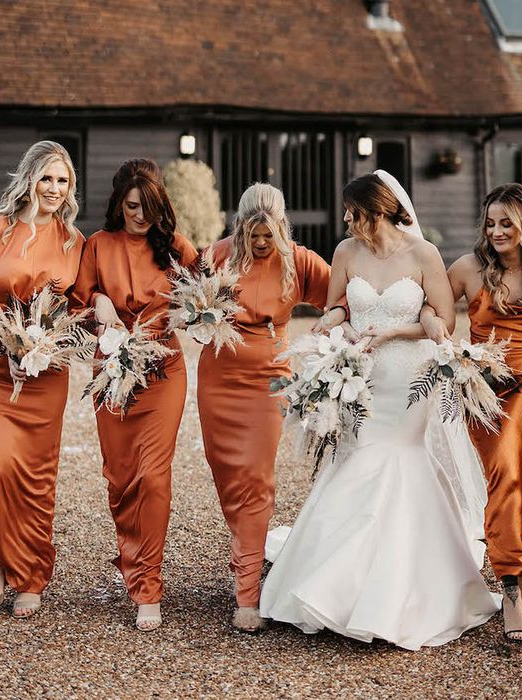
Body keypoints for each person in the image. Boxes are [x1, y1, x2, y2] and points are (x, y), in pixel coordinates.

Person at [259, 171, 500, 651]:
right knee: (358, 455)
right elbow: (337, 309)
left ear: (376, 211)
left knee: (400, 458)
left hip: (408, 376)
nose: (345, 219)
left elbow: (443, 320)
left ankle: (400, 589)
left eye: (352, 211)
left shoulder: (423, 254)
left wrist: (393, 334)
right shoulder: (347, 252)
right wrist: (326, 334)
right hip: (359, 374)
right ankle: (337, 585)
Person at [197, 183, 347, 632]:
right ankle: (246, 548)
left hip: (269, 381)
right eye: (253, 235)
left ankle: (247, 592)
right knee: (228, 476)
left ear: (282, 227)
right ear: (240, 226)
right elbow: (186, 304)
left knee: (256, 477)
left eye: (269, 235)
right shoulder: (216, 255)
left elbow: (341, 298)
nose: (261, 243)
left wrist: (329, 328)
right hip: (217, 381)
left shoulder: (298, 260)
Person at [0, 140, 84, 617]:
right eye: (47, 178)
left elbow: (77, 308)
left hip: (46, 375)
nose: (54, 189)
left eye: (63, 181)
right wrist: (8, 343)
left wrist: (46, 346)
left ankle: (29, 573)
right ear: (29, 178)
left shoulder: (76, 242)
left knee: (35, 475)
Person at [71, 159, 197, 631]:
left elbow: (211, 293)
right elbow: (77, 305)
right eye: (130, 207)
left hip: (164, 370)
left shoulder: (175, 248)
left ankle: (149, 585)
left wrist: (194, 315)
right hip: (113, 374)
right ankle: (132, 559)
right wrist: (98, 301)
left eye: (147, 208)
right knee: (121, 479)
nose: (139, 217)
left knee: (154, 476)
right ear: (117, 204)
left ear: (158, 207)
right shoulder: (97, 246)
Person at [447, 183, 522, 642]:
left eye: (507, 224)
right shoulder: (466, 268)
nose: (497, 231)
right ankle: (509, 586)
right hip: (487, 391)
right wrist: (458, 356)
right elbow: (435, 312)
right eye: (491, 223)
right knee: (504, 477)